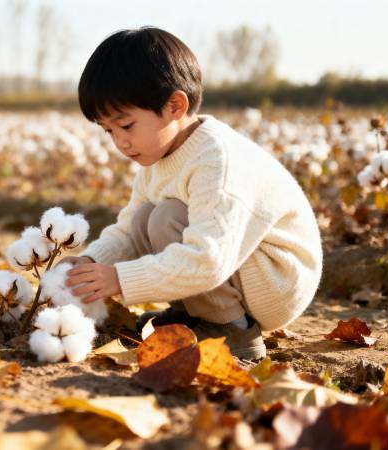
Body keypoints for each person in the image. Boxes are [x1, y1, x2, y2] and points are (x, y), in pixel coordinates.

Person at [61, 26, 323, 361]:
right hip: (239, 268)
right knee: (145, 219)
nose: (119, 142)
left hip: (275, 281)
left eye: (126, 126)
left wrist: (118, 279)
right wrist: (92, 263)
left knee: (167, 217)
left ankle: (234, 331)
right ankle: (194, 315)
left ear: (174, 105)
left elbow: (208, 260)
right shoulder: (158, 156)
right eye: (108, 130)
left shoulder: (217, 158)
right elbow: (128, 231)